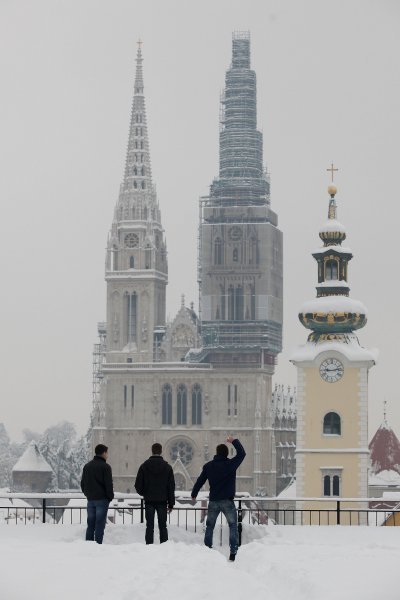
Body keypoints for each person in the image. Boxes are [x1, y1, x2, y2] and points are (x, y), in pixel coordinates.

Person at [191, 436, 245, 561]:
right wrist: (234, 441)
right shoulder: (230, 464)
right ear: (226, 454)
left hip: (214, 501)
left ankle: (207, 549)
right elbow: (242, 454)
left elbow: (200, 481)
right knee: (232, 526)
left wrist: (194, 493)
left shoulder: (208, 466)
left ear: (216, 453)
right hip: (227, 501)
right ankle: (233, 551)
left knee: (210, 526)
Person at [135, 443, 175, 544]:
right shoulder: (168, 467)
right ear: (161, 451)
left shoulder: (144, 466)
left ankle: (149, 546)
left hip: (149, 501)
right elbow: (171, 487)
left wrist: (144, 493)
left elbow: (138, 485)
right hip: (162, 501)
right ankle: (164, 545)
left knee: (149, 526)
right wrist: (171, 503)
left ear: (152, 451)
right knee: (163, 526)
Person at [80, 443, 114, 544]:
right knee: (100, 524)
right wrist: (110, 497)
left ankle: (89, 544)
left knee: (90, 524)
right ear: (103, 453)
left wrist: (87, 494)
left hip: (90, 500)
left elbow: (83, 483)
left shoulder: (87, 466)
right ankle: (98, 545)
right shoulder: (106, 467)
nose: (107, 455)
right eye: (107, 452)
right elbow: (108, 484)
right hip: (102, 500)